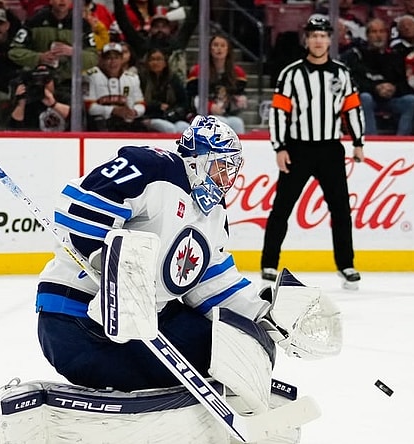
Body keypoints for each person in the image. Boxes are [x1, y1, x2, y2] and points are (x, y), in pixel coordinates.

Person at [35, 114, 276, 399]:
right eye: (220, 167)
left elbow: (213, 284)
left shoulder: (214, 215)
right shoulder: (153, 167)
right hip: (77, 323)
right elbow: (82, 211)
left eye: (230, 170)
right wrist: (112, 269)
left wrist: (263, 316)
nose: (226, 179)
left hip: (149, 320)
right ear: (197, 158)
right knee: (214, 358)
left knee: (240, 345)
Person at [261, 17, 365, 289]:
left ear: (330, 39)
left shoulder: (342, 73)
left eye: (323, 35)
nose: (318, 40)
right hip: (298, 148)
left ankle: (346, 265)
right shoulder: (291, 74)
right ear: (306, 39)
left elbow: (352, 108)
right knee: (282, 207)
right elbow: (279, 113)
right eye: (314, 35)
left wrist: (358, 141)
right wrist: (279, 147)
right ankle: (269, 263)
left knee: (341, 209)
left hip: (330, 149)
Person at [342, 18, 414, 135]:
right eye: (374, 32)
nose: (378, 36)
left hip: (391, 99)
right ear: (367, 35)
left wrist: (394, 88)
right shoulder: (357, 54)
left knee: (411, 101)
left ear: (387, 34)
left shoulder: (396, 55)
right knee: (365, 97)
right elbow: (355, 81)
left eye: (382, 31)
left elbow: (404, 83)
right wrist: (376, 88)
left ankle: (401, 140)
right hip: (369, 99)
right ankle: (371, 139)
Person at [185, 34, 248, 135]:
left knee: (237, 123)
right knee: (222, 122)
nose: (219, 49)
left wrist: (239, 101)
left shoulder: (237, 73)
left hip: (225, 113)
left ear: (228, 50)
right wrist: (209, 107)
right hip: (202, 114)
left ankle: (238, 149)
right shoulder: (198, 71)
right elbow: (191, 97)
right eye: (215, 45)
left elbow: (239, 95)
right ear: (209, 49)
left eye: (223, 46)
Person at [84, 42, 146, 132]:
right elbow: (89, 107)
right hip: (100, 122)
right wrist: (114, 110)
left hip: (127, 122)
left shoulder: (132, 77)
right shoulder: (90, 76)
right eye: (108, 58)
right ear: (102, 59)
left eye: (116, 58)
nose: (113, 62)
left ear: (121, 59)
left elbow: (140, 104)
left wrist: (134, 112)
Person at [139, 47, 191, 133]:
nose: (155, 62)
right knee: (170, 129)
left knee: (186, 129)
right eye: (152, 59)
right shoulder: (142, 79)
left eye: (159, 59)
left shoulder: (173, 79)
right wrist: (158, 106)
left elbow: (183, 102)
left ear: (165, 62)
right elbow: (140, 101)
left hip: (171, 116)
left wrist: (175, 111)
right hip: (151, 116)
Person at [7, 64, 70, 131]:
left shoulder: (65, 96)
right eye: (37, 79)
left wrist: (54, 104)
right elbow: (14, 130)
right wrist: (21, 103)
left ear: (53, 81)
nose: (41, 84)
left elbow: (79, 118)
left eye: (45, 79)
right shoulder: (29, 102)